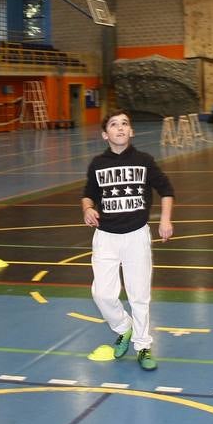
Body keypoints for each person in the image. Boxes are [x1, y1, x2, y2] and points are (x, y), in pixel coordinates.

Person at [82, 111, 174, 372]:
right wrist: (87, 209)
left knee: (139, 296)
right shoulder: (97, 164)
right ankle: (124, 327)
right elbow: (88, 195)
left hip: (136, 236)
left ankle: (143, 345)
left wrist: (165, 221)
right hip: (106, 238)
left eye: (124, 124)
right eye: (114, 124)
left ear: (131, 132)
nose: (120, 128)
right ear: (105, 134)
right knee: (101, 293)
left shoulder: (145, 161)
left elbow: (167, 191)